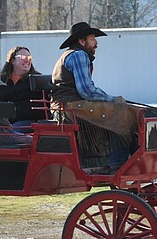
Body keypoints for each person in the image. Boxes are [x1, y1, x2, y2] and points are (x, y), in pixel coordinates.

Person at [51, 21, 138, 173]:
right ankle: (118, 163)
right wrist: (114, 100)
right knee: (123, 114)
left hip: (68, 105)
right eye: (92, 38)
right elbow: (86, 91)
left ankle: (123, 158)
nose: (96, 42)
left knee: (120, 111)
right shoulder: (79, 55)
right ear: (81, 41)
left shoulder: (72, 54)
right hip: (69, 107)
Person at [0, 46, 46, 127]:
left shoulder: (37, 79)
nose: (27, 60)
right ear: (12, 60)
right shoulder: (1, 80)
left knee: (14, 131)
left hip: (27, 121)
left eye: (29, 58)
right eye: (23, 57)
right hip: (3, 122)